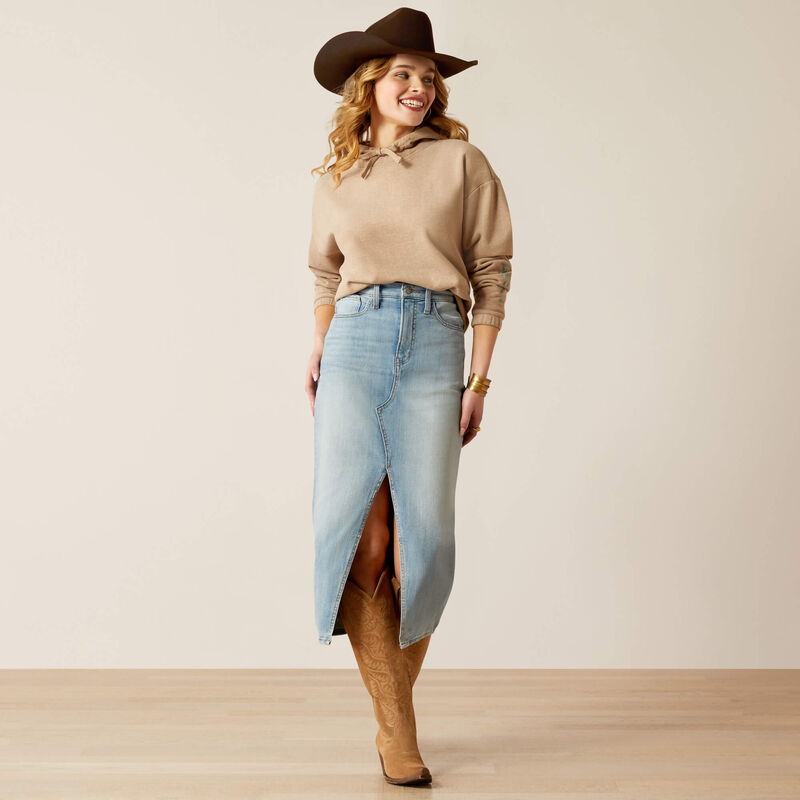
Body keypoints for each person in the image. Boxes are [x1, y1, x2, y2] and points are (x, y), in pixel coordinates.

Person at [304, 7, 513, 787]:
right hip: (353, 344)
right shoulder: (336, 176)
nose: (419, 86)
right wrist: (320, 344)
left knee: (422, 544)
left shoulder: (464, 164)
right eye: (404, 74)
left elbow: (491, 274)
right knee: (361, 538)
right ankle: (398, 731)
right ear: (370, 84)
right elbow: (325, 273)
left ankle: (393, 719)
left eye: (429, 77)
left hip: (433, 341)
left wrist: (478, 379)